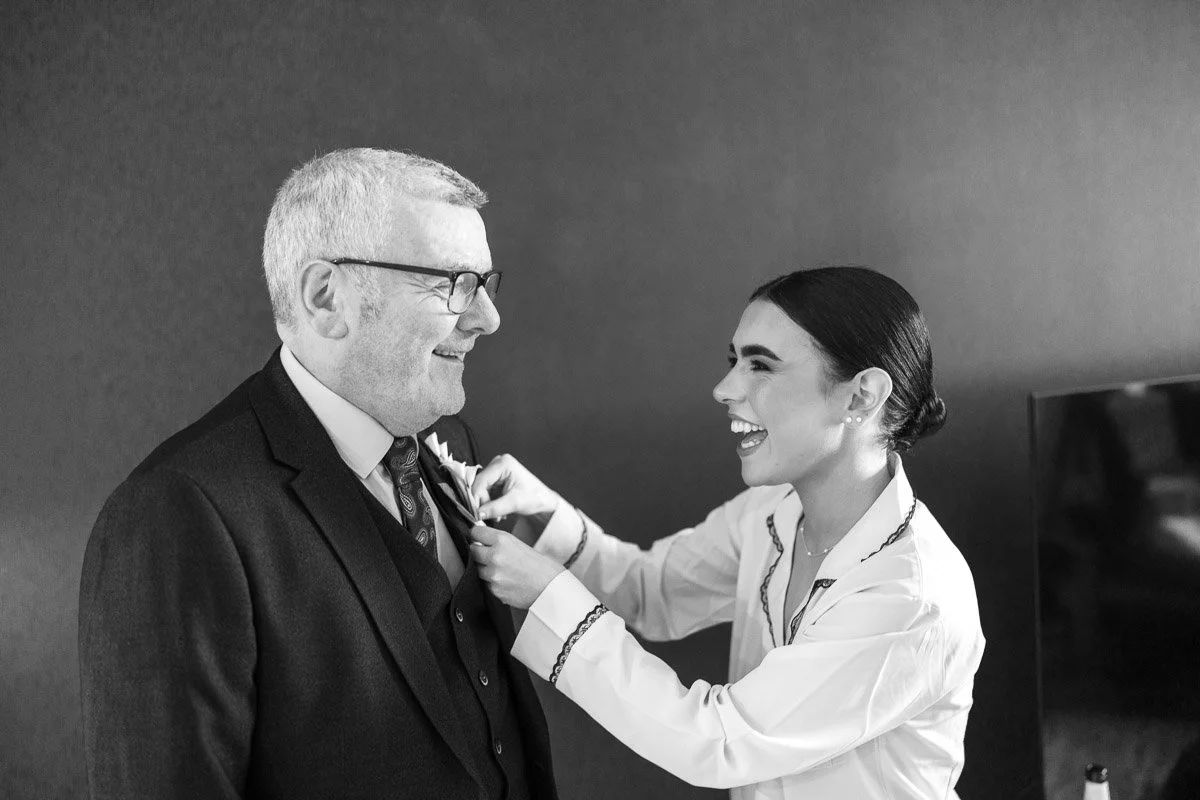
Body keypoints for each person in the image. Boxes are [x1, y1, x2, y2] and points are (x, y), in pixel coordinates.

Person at [78, 148, 558, 800]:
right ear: (326, 297)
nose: (487, 318)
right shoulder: (176, 515)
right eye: (452, 282)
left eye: (484, 283)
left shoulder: (443, 448)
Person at [467, 266, 986, 800]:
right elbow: (650, 592)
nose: (724, 388)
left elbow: (719, 740)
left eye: (761, 366)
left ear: (861, 396)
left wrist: (550, 595)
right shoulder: (771, 512)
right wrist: (545, 516)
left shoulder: (910, 595)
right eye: (733, 360)